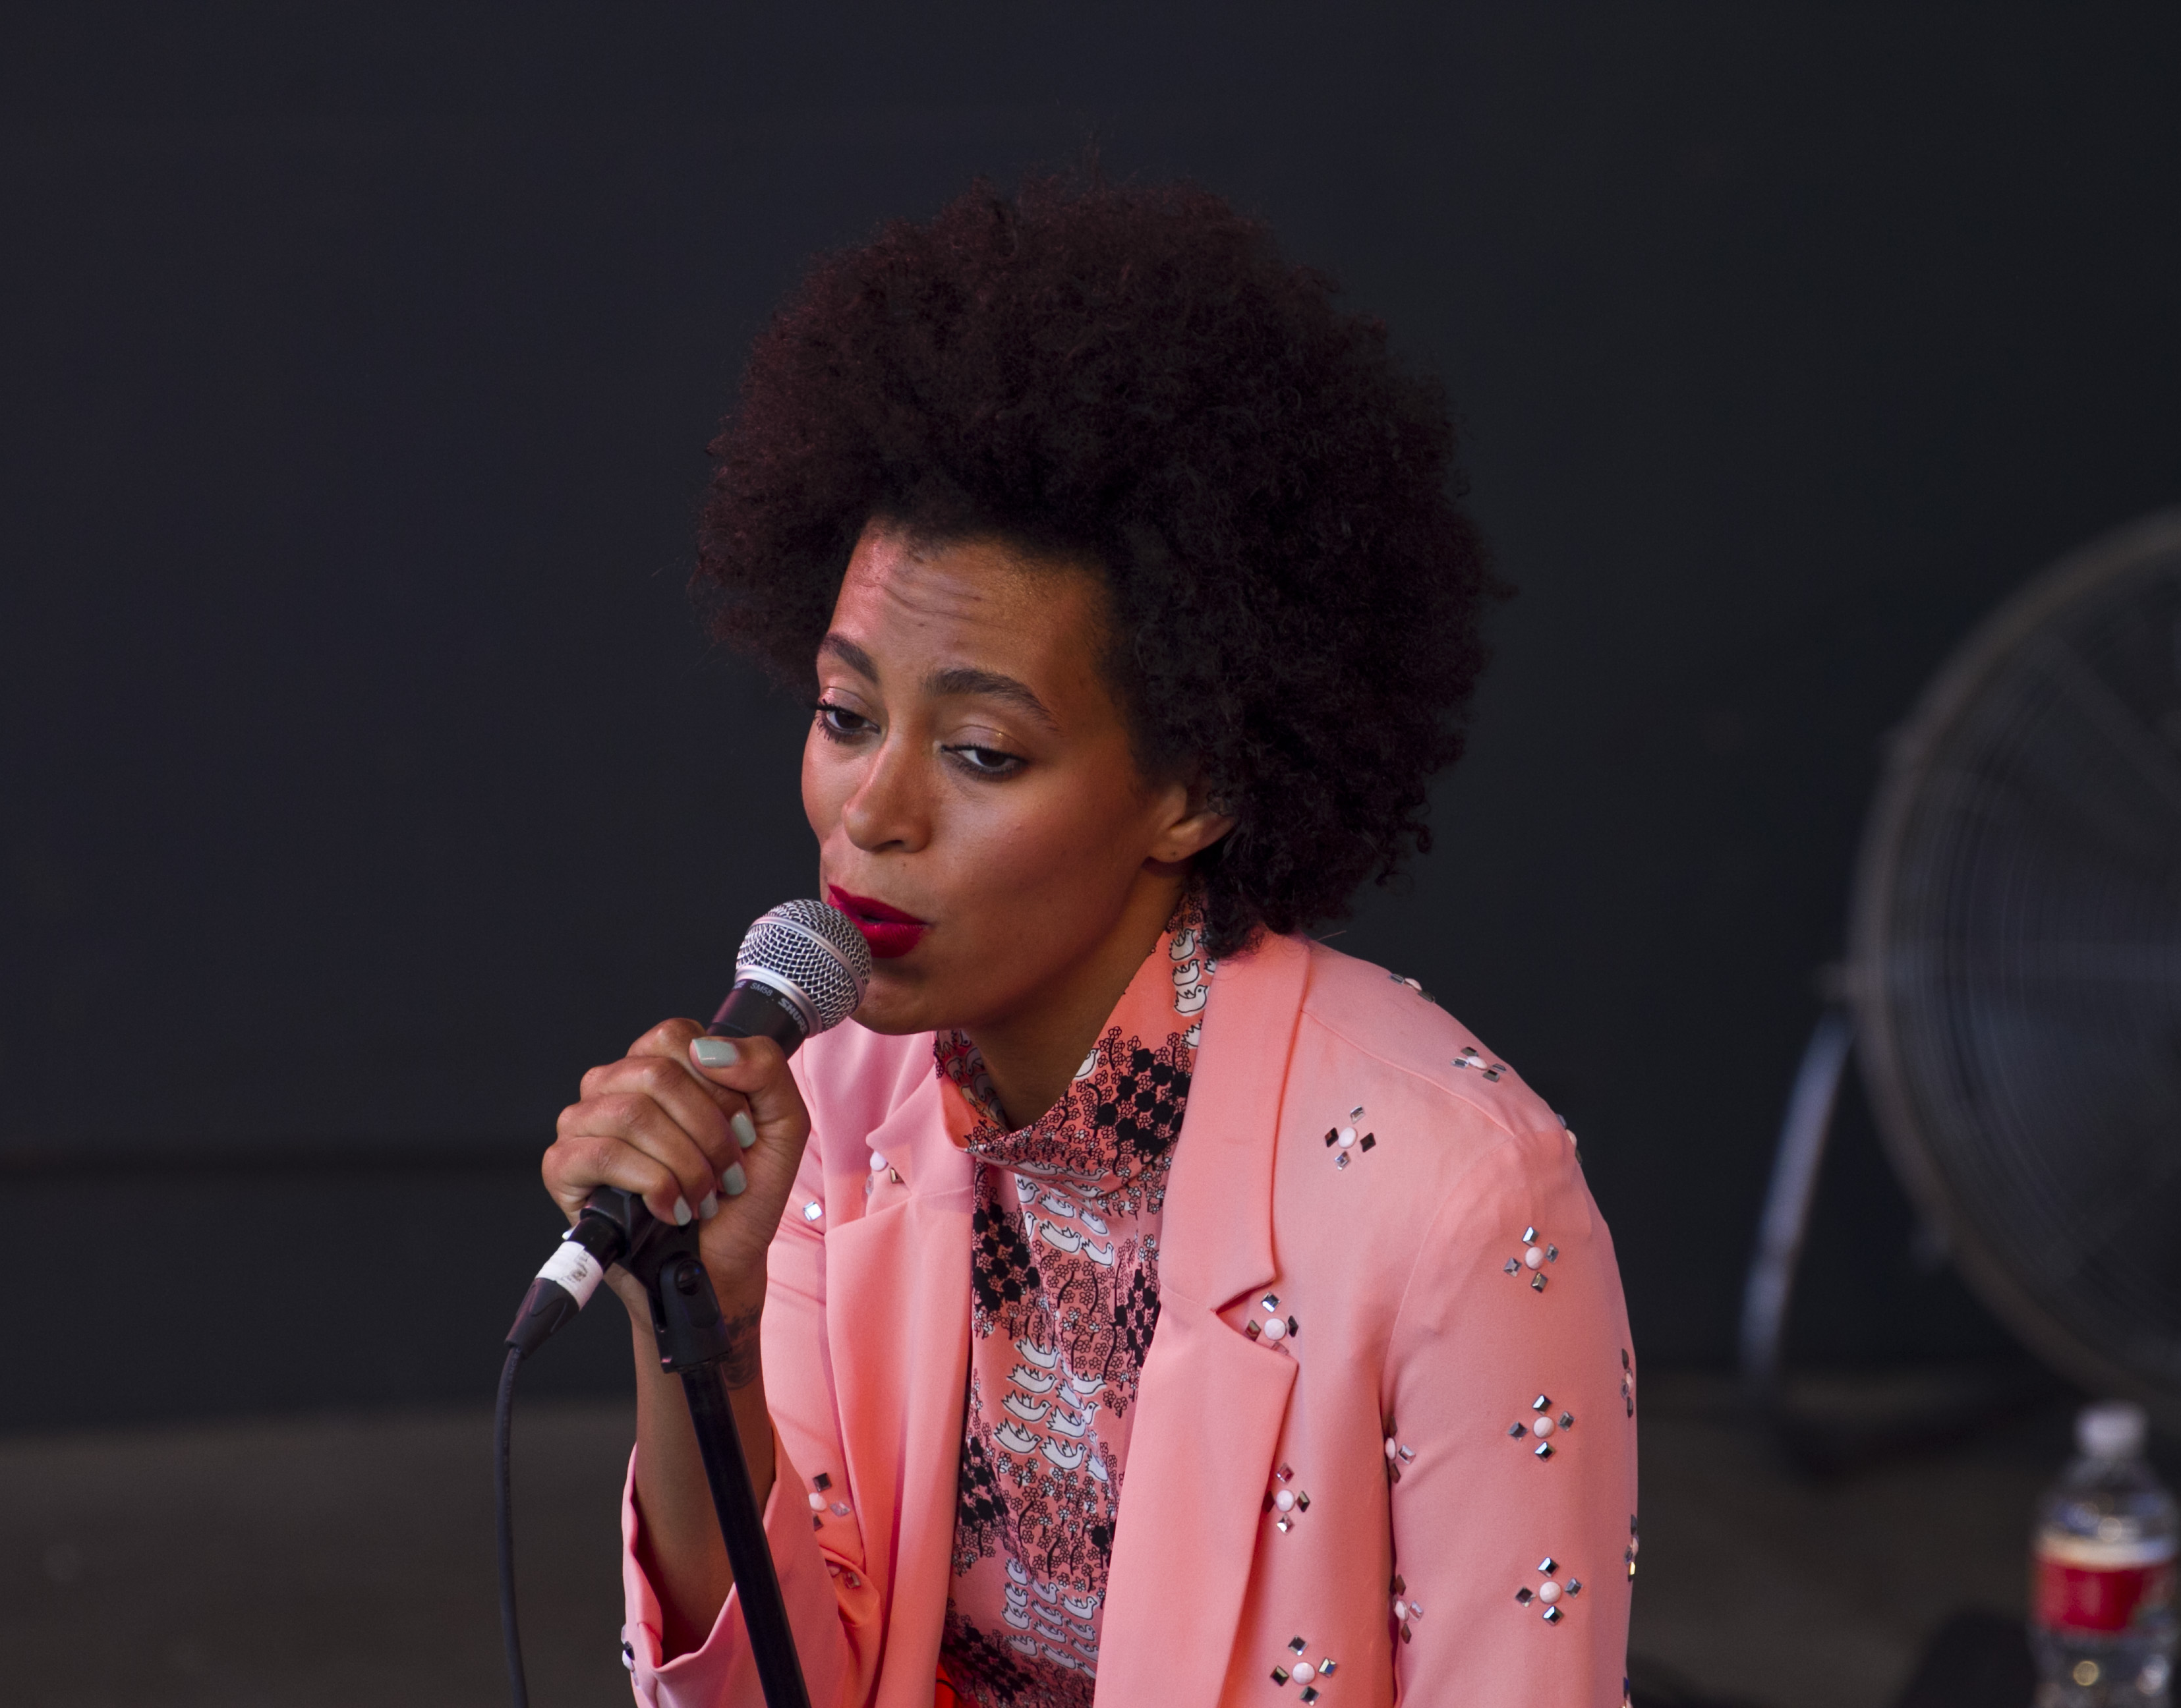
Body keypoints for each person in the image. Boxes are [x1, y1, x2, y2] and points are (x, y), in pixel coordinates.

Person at [544, 171, 1637, 1708]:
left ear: (1195, 788)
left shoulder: (1456, 1206)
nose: (875, 810)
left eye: (982, 752)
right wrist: (698, 1340)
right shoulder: (827, 1109)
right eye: (846, 715)